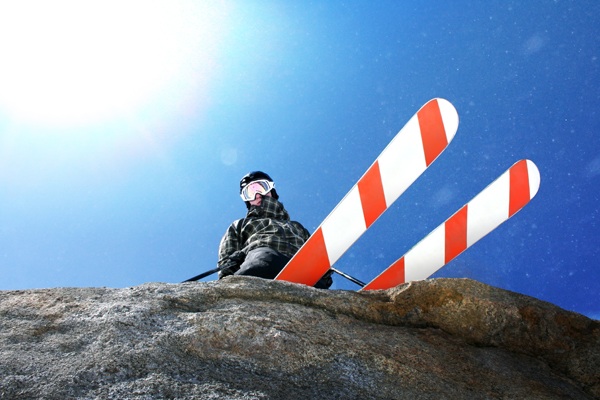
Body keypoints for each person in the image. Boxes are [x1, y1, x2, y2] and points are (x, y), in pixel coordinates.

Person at [217, 171, 332, 289]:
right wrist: (226, 279)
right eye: (249, 193)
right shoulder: (240, 224)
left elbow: (315, 251)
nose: (257, 195)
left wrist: (324, 273)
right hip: (262, 259)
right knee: (264, 258)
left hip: (302, 266)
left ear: (271, 189)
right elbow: (227, 257)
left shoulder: (297, 227)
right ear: (247, 200)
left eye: (261, 187)